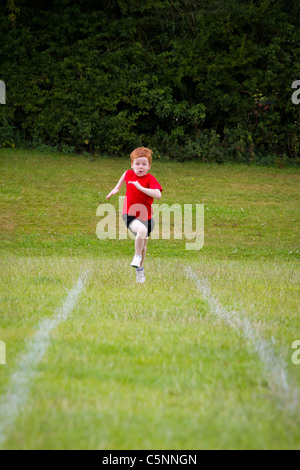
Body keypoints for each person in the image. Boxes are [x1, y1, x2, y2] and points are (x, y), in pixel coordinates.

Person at [106, 147, 163, 283]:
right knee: (141, 231)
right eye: (137, 164)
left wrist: (140, 187)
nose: (140, 167)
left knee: (144, 247)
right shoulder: (128, 174)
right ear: (132, 165)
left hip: (147, 217)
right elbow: (122, 180)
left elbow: (158, 195)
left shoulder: (150, 178)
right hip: (130, 214)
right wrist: (115, 190)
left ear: (149, 166)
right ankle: (136, 257)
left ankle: (140, 270)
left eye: (144, 164)